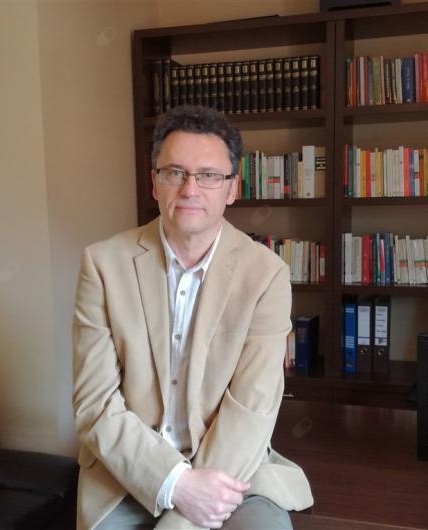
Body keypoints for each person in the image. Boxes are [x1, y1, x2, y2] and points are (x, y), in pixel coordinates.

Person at [72, 105, 313, 530]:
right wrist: (176, 483)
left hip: (233, 470)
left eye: (208, 175)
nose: (190, 189)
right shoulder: (103, 264)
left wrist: (184, 516)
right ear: (154, 183)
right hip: (128, 470)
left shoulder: (267, 274)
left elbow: (252, 408)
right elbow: (96, 403)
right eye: (174, 173)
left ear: (232, 188)